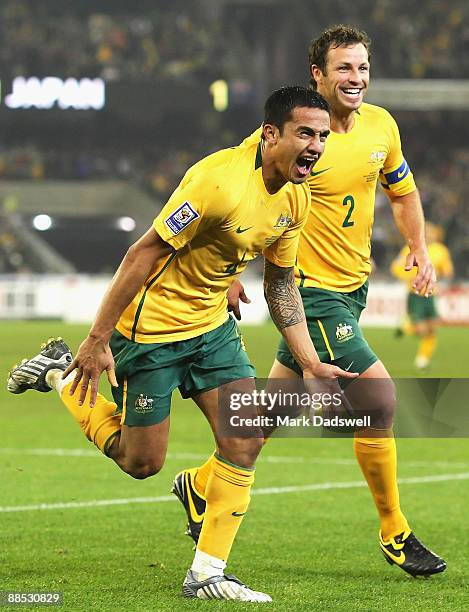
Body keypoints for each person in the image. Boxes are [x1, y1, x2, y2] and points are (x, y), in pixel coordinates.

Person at [8, 86, 356, 602]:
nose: (317, 145)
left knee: (245, 438)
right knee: (140, 462)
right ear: (270, 135)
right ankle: (61, 373)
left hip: (212, 331)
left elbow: (280, 283)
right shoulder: (217, 181)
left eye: (322, 136)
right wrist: (96, 337)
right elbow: (142, 254)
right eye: (305, 133)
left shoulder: (297, 196)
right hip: (150, 334)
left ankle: (207, 573)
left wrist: (309, 362)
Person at [175, 26, 446, 578]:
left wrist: (418, 245)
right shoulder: (291, 134)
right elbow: (233, 192)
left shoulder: (382, 126)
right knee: (381, 402)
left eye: (363, 67)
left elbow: (404, 190)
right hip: (307, 289)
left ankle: (201, 485)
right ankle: (395, 531)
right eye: (344, 68)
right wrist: (225, 269)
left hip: (354, 287)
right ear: (317, 75)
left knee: (267, 416)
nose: (357, 79)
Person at [391, 222, 454, 370]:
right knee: (421, 330)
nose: (429, 234)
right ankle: (406, 327)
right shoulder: (410, 249)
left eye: (432, 232)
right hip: (415, 294)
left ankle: (422, 359)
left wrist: (442, 273)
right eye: (426, 232)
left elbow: (447, 270)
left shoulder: (441, 250)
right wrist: (407, 277)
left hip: (431, 294)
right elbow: (395, 267)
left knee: (432, 327)